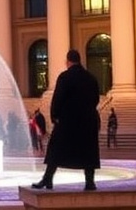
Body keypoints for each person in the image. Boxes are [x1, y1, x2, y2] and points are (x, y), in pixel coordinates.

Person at [32, 49, 100, 191]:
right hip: (87, 120)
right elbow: (95, 99)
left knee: (55, 150)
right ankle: (90, 182)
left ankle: (47, 179)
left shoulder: (65, 77)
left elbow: (58, 98)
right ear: (79, 60)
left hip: (68, 121)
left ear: (68, 61)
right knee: (88, 150)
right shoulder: (91, 78)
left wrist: (54, 116)